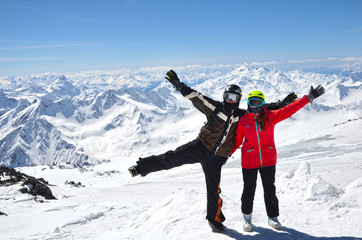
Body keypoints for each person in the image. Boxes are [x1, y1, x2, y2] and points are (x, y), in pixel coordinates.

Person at [128, 69, 297, 232]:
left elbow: (262, 109)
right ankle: (140, 168)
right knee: (170, 158)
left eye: (234, 97)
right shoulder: (215, 108)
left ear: (238, 99)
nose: (230, 100)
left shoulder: (242, 115)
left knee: (213, 189)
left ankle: (214, 220)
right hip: (200, 147)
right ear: (224, 97)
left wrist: (282, 104)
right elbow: (197, 98)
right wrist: (180, 86)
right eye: (228, 97)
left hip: (217, 158)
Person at [231, 86, 325, 232]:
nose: (255, 106)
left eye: (258, 102)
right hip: (249, 162)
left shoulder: (270, 116)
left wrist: (308, 98)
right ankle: (247, 218)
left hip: (268, 160)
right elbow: (236, 141)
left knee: (270, 190)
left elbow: (289, 110)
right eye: (252, 102)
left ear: (263, 104)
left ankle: (273, 217)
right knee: (248, 190)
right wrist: (223, 154)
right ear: (248, 104)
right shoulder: (243, 121)